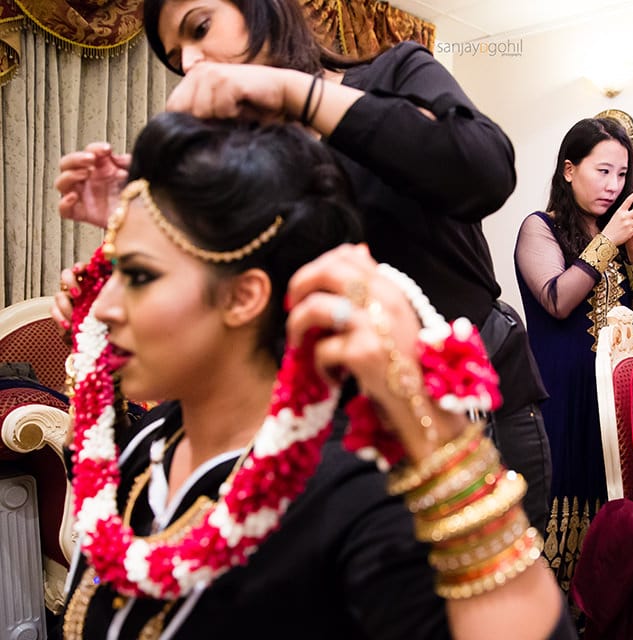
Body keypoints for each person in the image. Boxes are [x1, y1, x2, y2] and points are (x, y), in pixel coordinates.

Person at [59, 112, 573, 639]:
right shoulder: (146, 443)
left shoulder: (358, 499)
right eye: (113, 270)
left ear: (244, 296)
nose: (102, 307)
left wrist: (438, 440)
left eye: (139, 275)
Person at [53, 0, 552, 534]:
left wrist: (295, 91)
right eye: (177, 58)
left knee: (497, 585)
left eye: (200, 28)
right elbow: (231, 297)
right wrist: (135, 222)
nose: (193, 61)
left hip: (476, 398)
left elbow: (482, 170)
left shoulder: (393, 72)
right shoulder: (247, 169)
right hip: (341, 431)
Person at [513, 117, 633, 590]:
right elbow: (558, 300)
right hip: (558, 393)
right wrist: (610, 241)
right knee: (559, 505)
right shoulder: (539, 228)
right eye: (602, 171)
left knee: (611, 499)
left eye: (622, 175)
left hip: (612, 400)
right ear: (568, 170)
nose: (613, 185)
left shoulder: (621, 238)